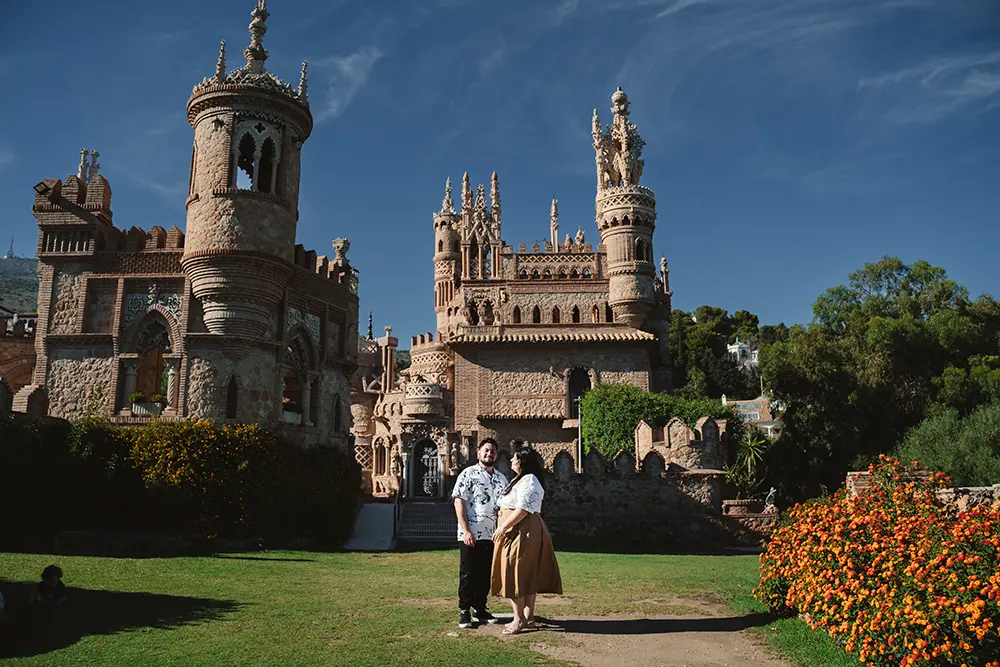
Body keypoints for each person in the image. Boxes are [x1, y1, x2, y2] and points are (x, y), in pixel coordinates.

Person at [491, 447, 562, 635]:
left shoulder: (529, 480)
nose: (511, 461)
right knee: (524, 573)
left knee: (515, 572)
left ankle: (519, 619)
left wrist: (503, 526)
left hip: (521, 530)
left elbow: (522, 509)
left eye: (515, 458)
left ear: (522, 462)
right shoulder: (522, 480)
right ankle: (528, 618)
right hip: (520, 529)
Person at [452, 439, 508, 629]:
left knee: (485, 574)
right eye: (486, 451)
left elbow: (506, 506)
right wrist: (466, 530)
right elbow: (458, 501)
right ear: (478, 453)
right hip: (470, 535)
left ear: (496, 455)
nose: (489, 454)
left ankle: (480, 608)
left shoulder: (501, 478)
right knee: (468, 574)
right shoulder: (468, 474)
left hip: (492, 535)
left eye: (492, 451)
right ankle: (464, 611)